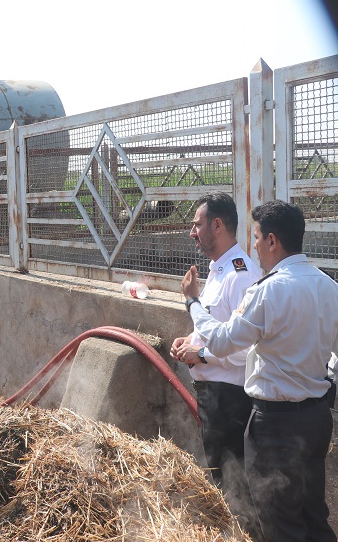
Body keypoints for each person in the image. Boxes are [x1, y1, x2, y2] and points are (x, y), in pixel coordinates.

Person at [175, 200, 338, 542]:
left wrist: (193, 303)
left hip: (277, 424)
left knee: (279, 522)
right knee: (313, 515)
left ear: (273, 241)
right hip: (316, 417)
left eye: (258, 238)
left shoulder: (268, 291)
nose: (255, 246)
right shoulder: (328, 286)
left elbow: (222, 341)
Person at [169, 192, 261, 536]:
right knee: (220, 481)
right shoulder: (219, 270)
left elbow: (247, 348)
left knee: (233, 487)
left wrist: (202, 355)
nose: (192, 232)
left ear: (217, 225)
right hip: (214, 397)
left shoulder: (241, 275)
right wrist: (189, 340)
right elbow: (218, 329)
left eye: (197, 225)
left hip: (230, 400)